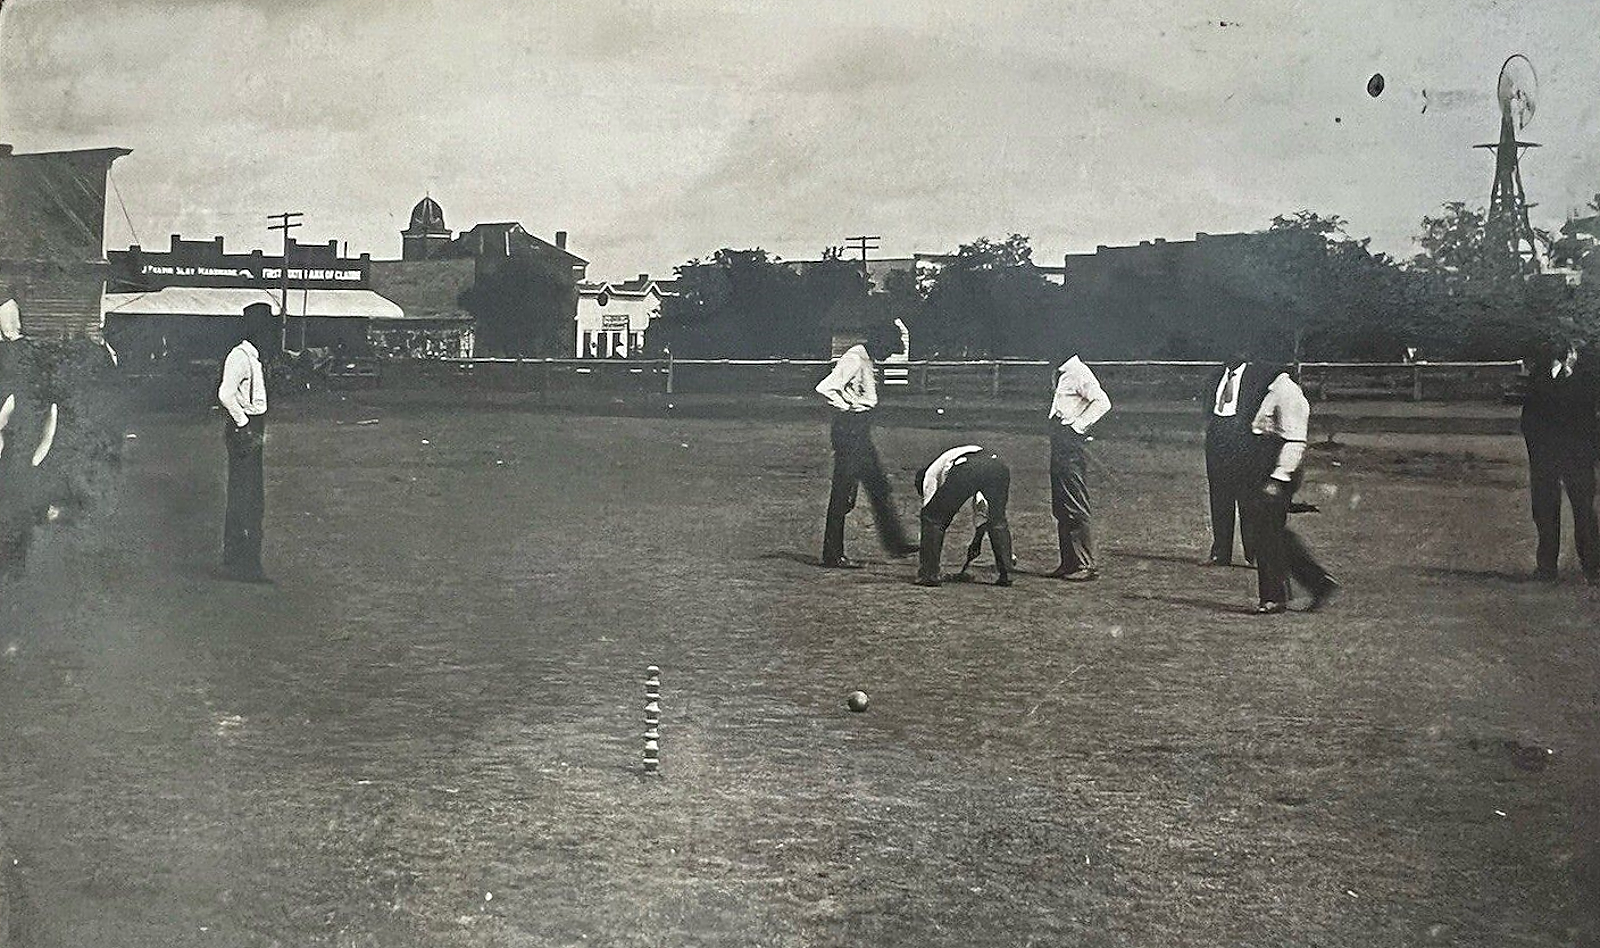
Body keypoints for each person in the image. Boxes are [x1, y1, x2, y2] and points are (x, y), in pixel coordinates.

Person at [815, 323, 917, 568]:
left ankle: (895, 542)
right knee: (843, 492)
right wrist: (847, 408)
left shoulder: (867, 358)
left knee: (878, 485)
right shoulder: (854, 357)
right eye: (888, 350)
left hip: (860, 430)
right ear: (878, 343)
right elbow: (825, 388)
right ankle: (832, 554)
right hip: (850, 430)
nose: (888, 356)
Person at [1241, 365, 1338, 614]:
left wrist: (1279, 477)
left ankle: (1274, 597)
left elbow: (1295, 441)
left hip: (1280, 467)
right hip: (1267, 465)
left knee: (1266, 532)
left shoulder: (1288, 392)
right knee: (1272, 532)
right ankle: (1317, 583)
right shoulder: (1273, 389)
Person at [1515, 337, 1600, 582]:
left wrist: (1591, 453)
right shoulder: (1540, 380)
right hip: (1548, 459)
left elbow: (1593, 422)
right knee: (1546, 513)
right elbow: (1528, 422)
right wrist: (1538, 454)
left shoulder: (1587, 380)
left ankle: (1592, 566)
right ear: (1568, 355)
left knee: (1584, 513)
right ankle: (1547, 567)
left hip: (1578, 458)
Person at [218, 302, 275, 583]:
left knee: (249, 495)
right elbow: (226, 394)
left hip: (252, 426)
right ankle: (245, 564)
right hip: (245, 428)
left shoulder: (254, 357)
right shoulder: (239, 356)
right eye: (267, 330)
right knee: (247, 497)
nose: (271, 336)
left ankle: (236, 559)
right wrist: (243, 424)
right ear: (256, 331)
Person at [1202, 349, 1276, 567]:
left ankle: (1252, 553)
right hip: (1218, 439)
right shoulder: (1214, 378)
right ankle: (1220, 552)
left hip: (1244, 443)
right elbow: (1208, 411)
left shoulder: (1255, 381)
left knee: (1247, 500)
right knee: (1219, 498)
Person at [1046, 350, 1110, 581]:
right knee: (1061, 505)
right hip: (1059, 443)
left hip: (1069, 444)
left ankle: (1085, 564)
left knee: (1074, 502)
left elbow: (1102, 402)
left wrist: (1078, 426)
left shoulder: (1079, 372)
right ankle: (1069, 562)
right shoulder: (1062, 373)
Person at [912, 444, 1014, 588]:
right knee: (997, 519)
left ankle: (929, 574)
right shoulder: (947, 461)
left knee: (932, 518)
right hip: (998, 467)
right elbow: (983, 508)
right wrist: (977, 541)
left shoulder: (930, 475)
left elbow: (930, 513)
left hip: (967, 467)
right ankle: (1007, 573)